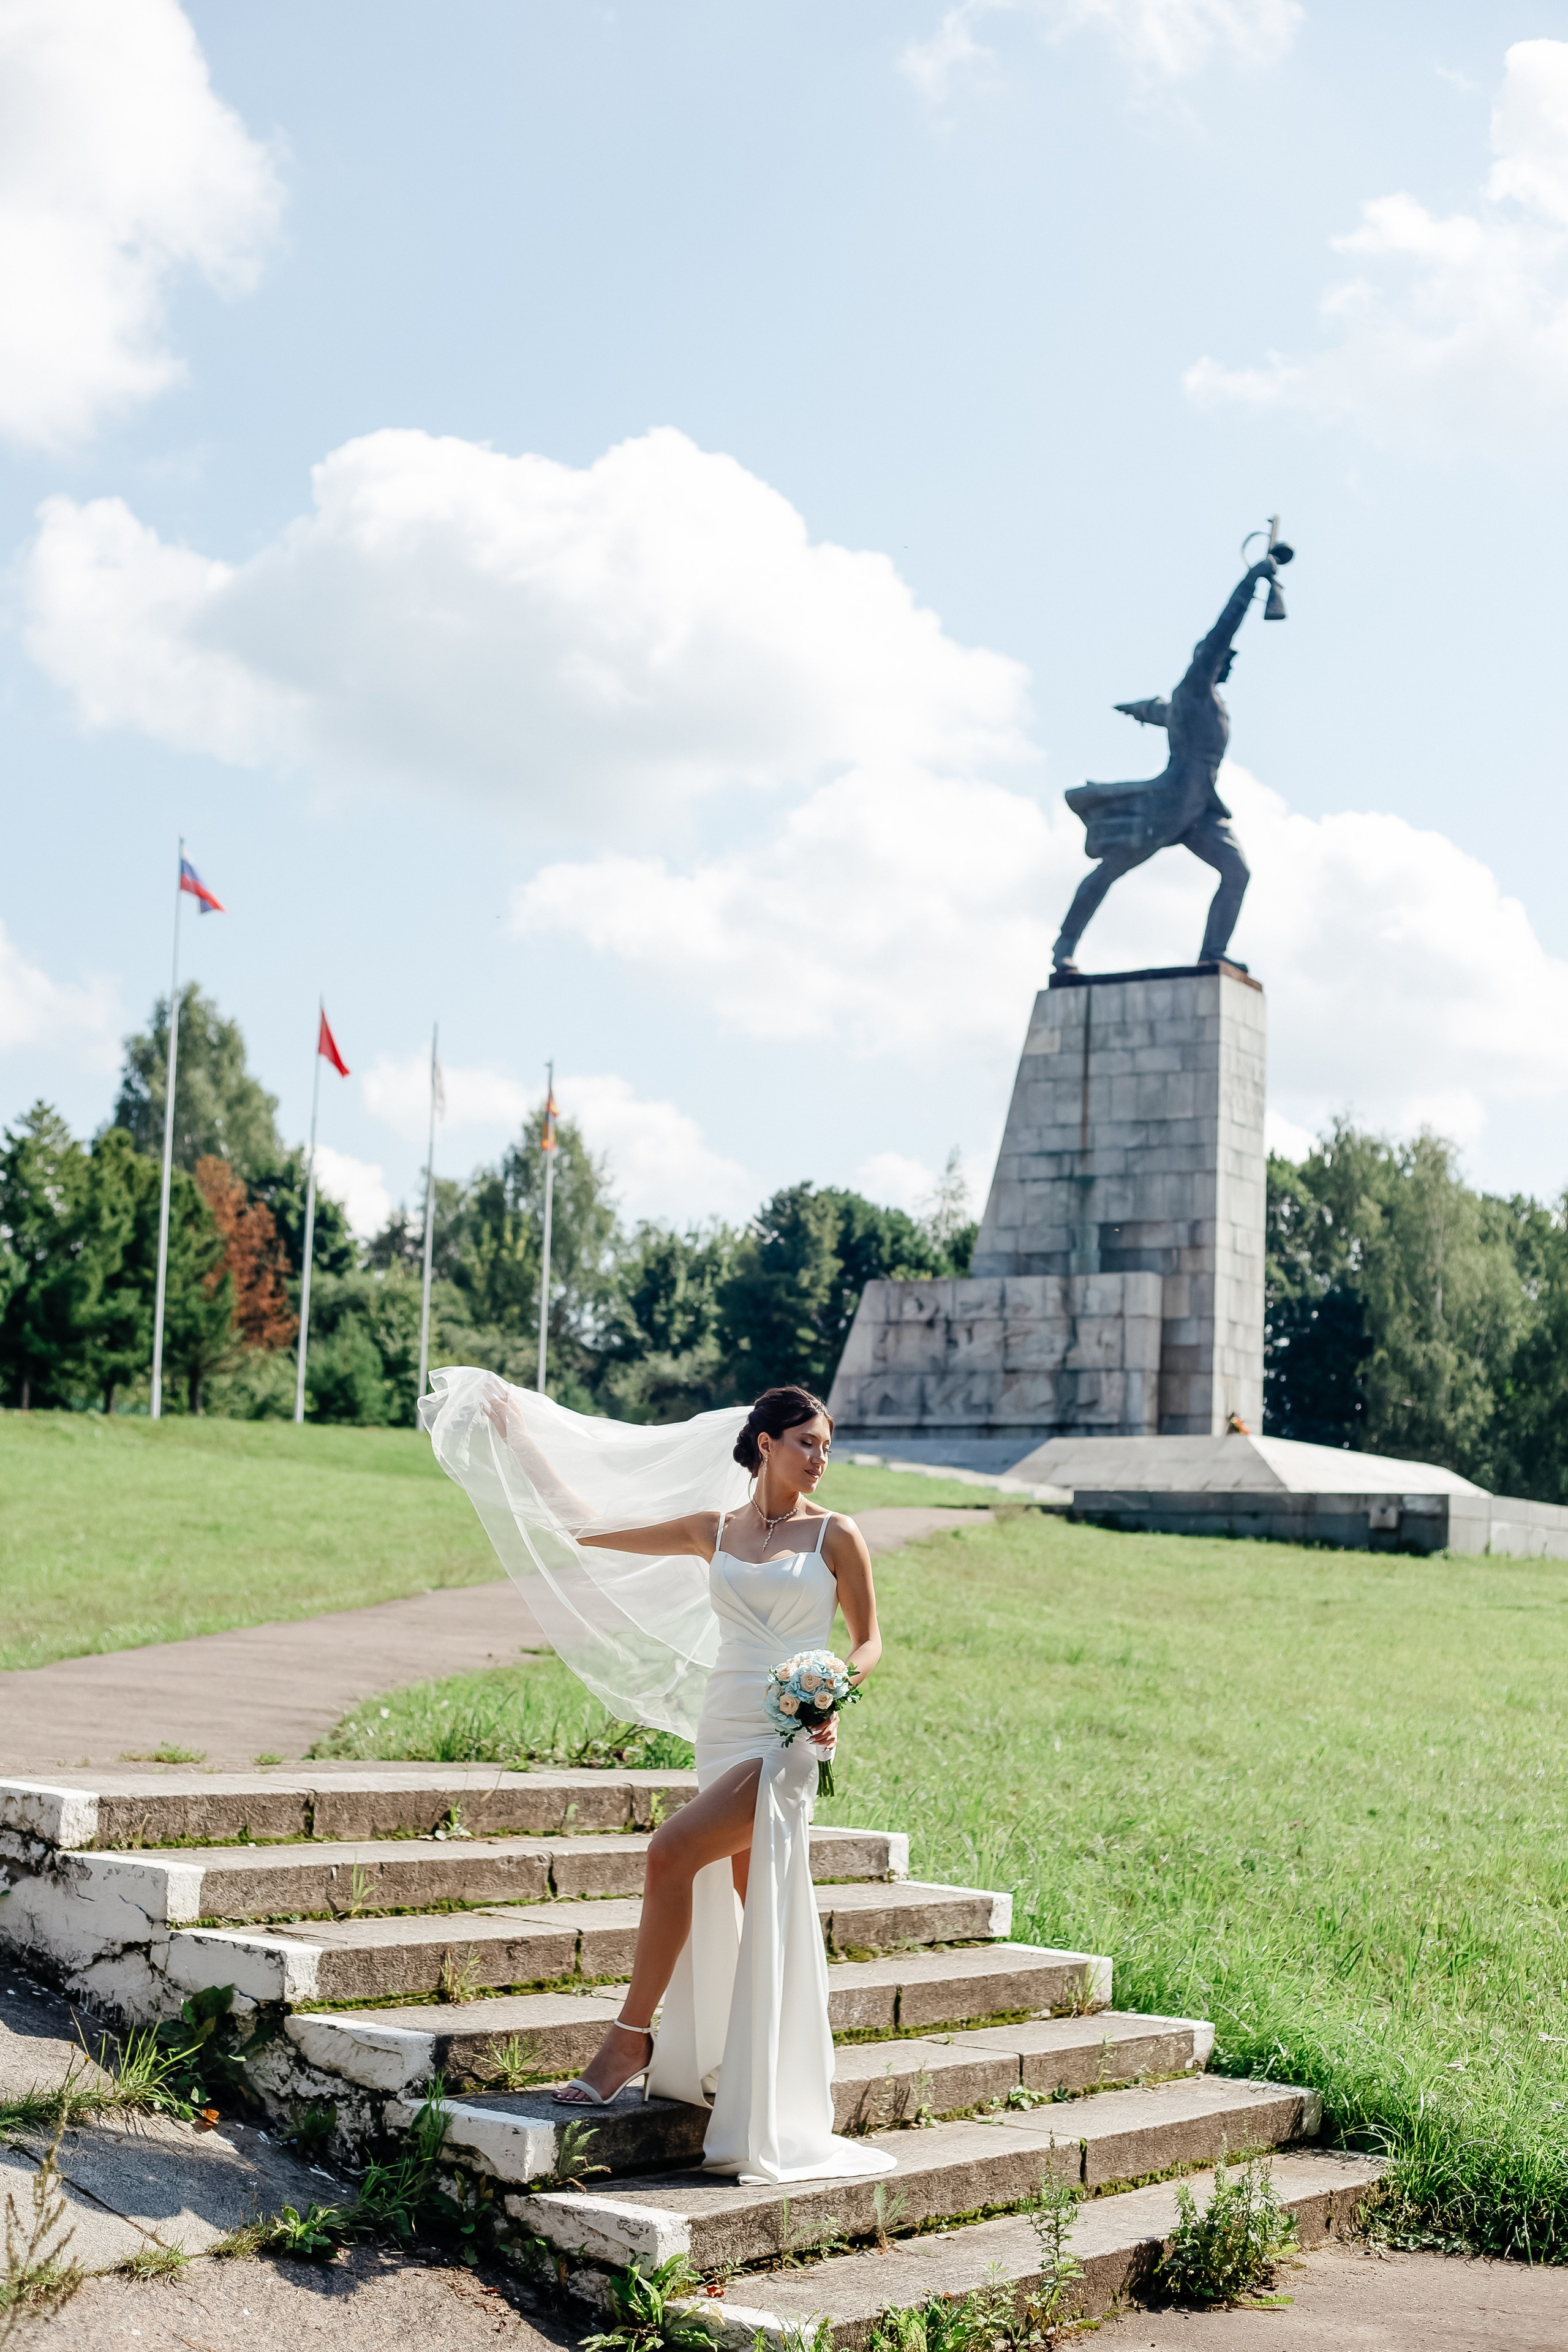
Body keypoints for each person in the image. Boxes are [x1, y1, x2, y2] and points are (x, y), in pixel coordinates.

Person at [420, 1371, 896, 2187]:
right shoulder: (712, 1529)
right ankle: (770, 2084)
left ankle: (630, 2036)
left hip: (786, 1738)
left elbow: (870, 1641)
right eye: (807, 1444)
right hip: (723, 1728)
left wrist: (833, 1694)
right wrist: (516, 1433)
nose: (821, 1458)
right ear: (765, 1446)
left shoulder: (836, 1536)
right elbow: (583, 1526)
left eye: (827, 1446)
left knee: (669, 1852)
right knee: (758, 1905)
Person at [1052, 554, 1282, 973]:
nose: (1228, 662)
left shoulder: (1203, 703)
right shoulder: (1196, 687)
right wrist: (1251, 582)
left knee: (1237, 872)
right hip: (1171, 801)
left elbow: (1163, 713)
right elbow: (1220, 631)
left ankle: (1213, 952)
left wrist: (1140, 710)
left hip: (1201, 806)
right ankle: (1064, 946)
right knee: (1114, 869)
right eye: (1222, 658)